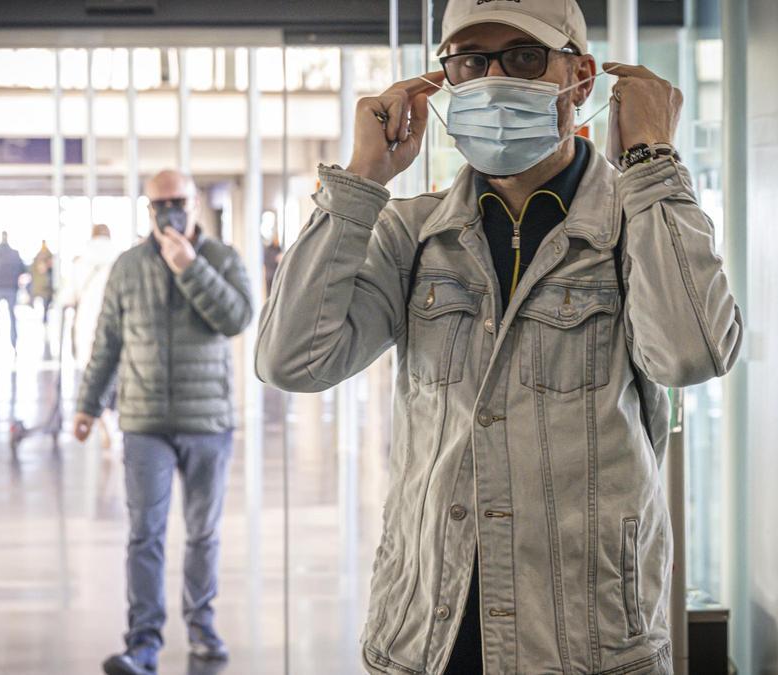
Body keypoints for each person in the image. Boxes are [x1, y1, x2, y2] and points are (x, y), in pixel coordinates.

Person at [255, 1, 743, 673]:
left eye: (522, 57)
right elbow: (291, 359)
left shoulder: (636, 224)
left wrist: (651, 159)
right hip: (426, 638)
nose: (492, 80)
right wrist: (362, 180)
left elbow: (692, 352)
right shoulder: (412, 232)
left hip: (590, 645)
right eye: (470, 61)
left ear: (579, 78)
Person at [72, 170, 253, 675]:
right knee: (144, 534)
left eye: (177, 201)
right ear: (147, 209)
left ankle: (201, 626)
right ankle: (143, 642)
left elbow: (238, 318)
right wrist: (87, 405)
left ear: (193, 203)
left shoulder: (220, 257)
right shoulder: (129, 266)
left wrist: (190, 268)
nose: (169, 211)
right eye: (159, 204)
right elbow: (108, 342)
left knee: (202, 533)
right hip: (145, 421)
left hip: (207, 420)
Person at [59, 223, 120, 449]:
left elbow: (67, 297)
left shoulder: (80, 261)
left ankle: (103, 417)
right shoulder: (122, 258)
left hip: (87, 323)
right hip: (116, 323)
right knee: (116, 374)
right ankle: (112, 417)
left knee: (94, 373)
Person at [30, 239, 56, 325]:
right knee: (45, 304)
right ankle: (44, 319)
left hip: (44, 286)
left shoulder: (43, 256)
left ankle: (44, 319)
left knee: (45, 304)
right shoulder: (43, 256)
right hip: (44, 286)